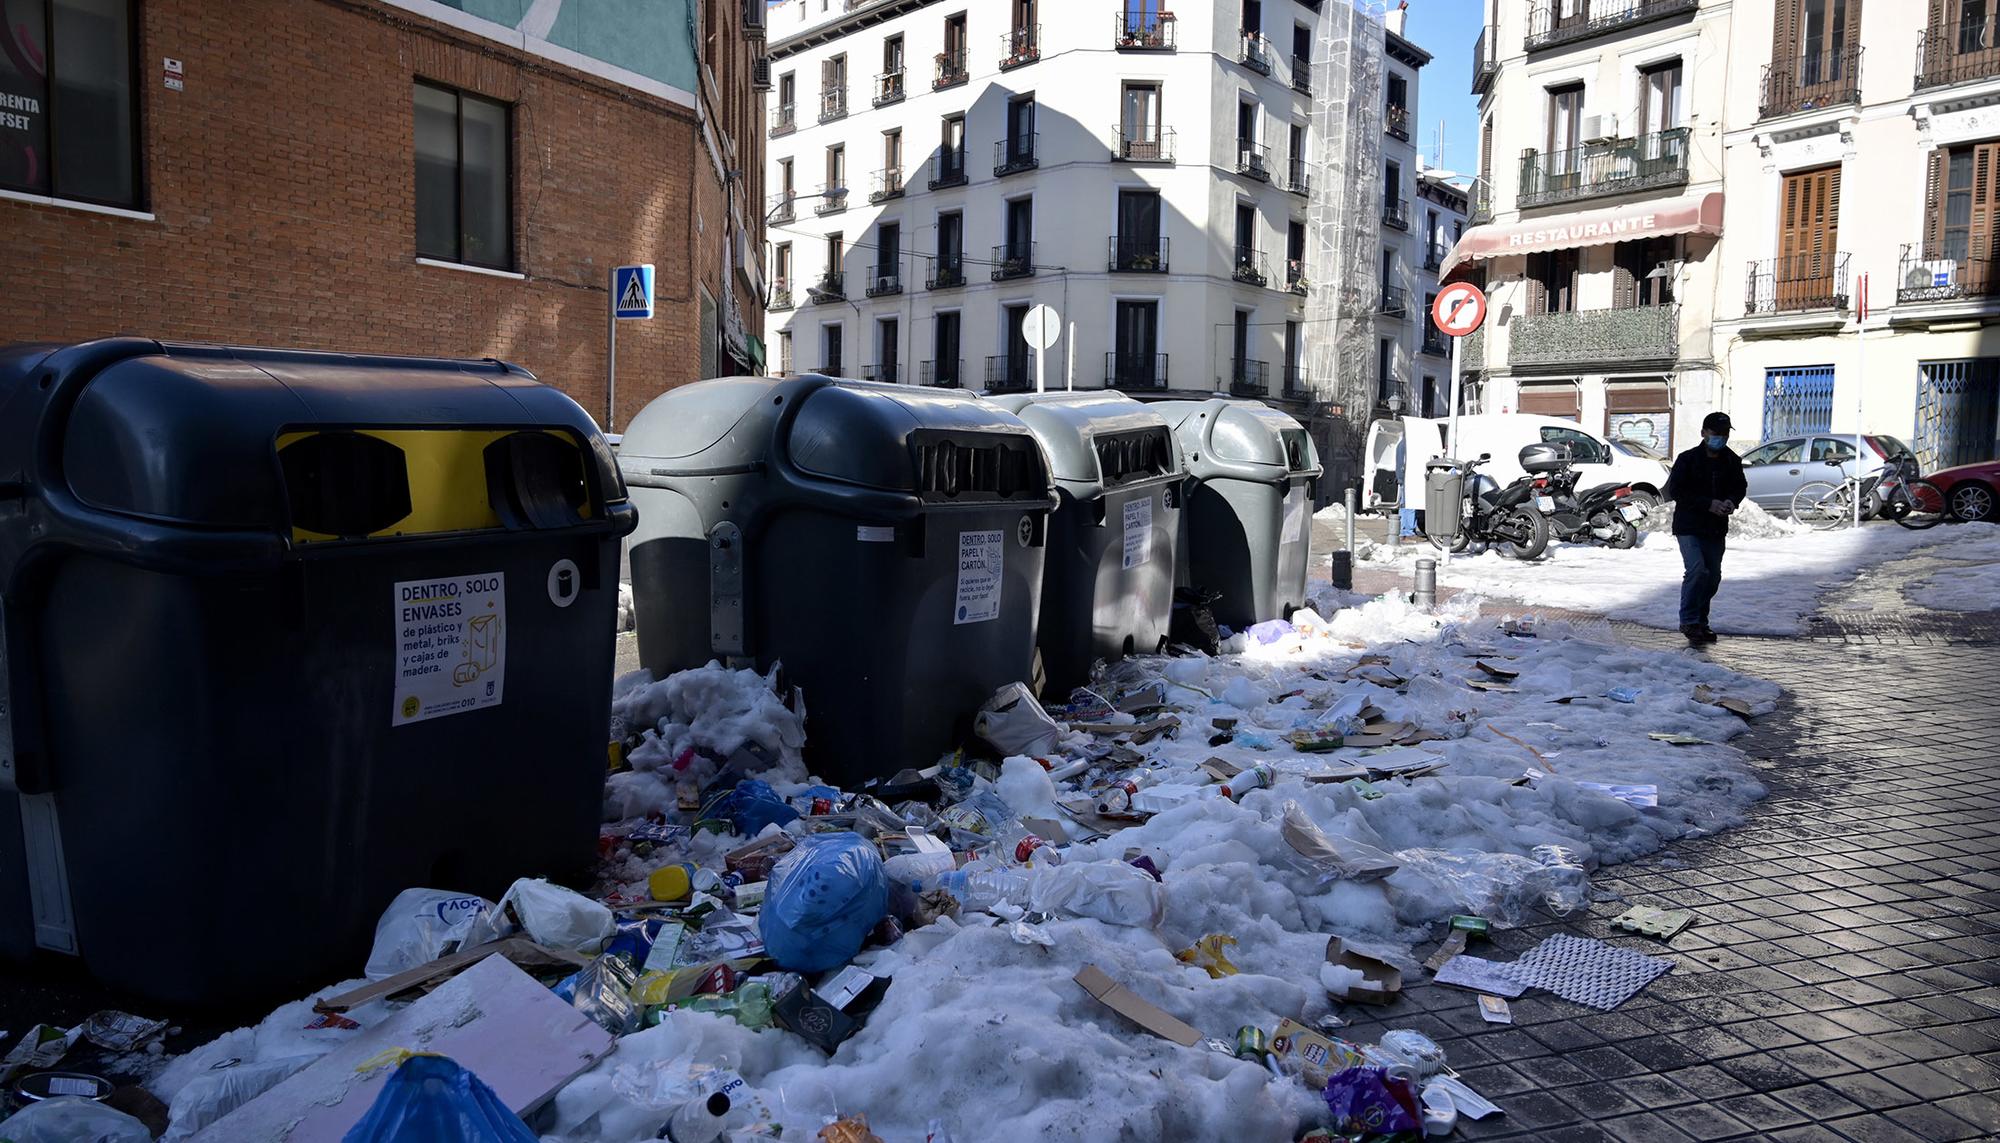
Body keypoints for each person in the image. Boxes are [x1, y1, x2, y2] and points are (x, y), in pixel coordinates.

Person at [1663, 412, 1747, 645]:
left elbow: (1740, 486)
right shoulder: (1688, 459)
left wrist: (1731, 501)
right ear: (1703, 433)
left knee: (1713, 577)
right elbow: (1677, 490)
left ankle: (1701, 621)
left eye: (1724, 434)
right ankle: (1689, 621)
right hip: (1688, 526)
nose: (1720, 438)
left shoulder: (1731, 460)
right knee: (1697, 570)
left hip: (1715, 528)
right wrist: (1708, 504)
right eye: (1715, 433)